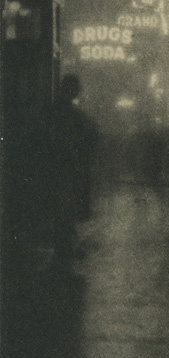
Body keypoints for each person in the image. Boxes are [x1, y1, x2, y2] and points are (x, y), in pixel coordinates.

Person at [42, 74, 99, 259]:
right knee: (66, 210)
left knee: (61, 211)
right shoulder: (74, 115)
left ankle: (64, 248)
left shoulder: (52, 111)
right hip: (68, 168)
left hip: (55, 167)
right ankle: (65, 250)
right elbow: (89, 138)